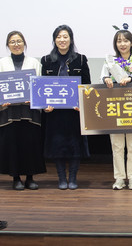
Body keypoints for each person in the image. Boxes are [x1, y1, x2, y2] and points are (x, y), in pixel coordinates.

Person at [0, 31, 46, 191]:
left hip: (29, 111)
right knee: (12, 144)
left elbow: (39, 86)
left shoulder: (34, 63)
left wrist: (35, 99)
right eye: (12, 42)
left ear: (24, 43)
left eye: (19, 41)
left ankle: (30, 178)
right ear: (8, 45)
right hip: (9, 111)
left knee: (30, 144)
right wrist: (1, 99)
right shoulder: (1, 63)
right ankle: (15, 178)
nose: (16, 44)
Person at [41, 25, 91, 190]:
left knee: (75, 145)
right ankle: (62, 177)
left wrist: (82, 104)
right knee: (57, 144)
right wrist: (45, 105)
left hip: (74, 111)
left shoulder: (81, 59)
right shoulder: (46, 60)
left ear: (71, 39)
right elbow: (42, 86)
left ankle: (73, 177)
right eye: (58, 37)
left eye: (65, 37)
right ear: (54, 40)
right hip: (54, 112)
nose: (62, 40)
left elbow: (87, 85)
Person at [100, 26, 132, 190]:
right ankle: (119, 178)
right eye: (119, 41)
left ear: (131, 43)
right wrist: (106, 79)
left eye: (126, 41)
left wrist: (131, 78)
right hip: (116, 108)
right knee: (117, 145)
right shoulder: (110, 62)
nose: (122, 44)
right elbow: (102, 77)